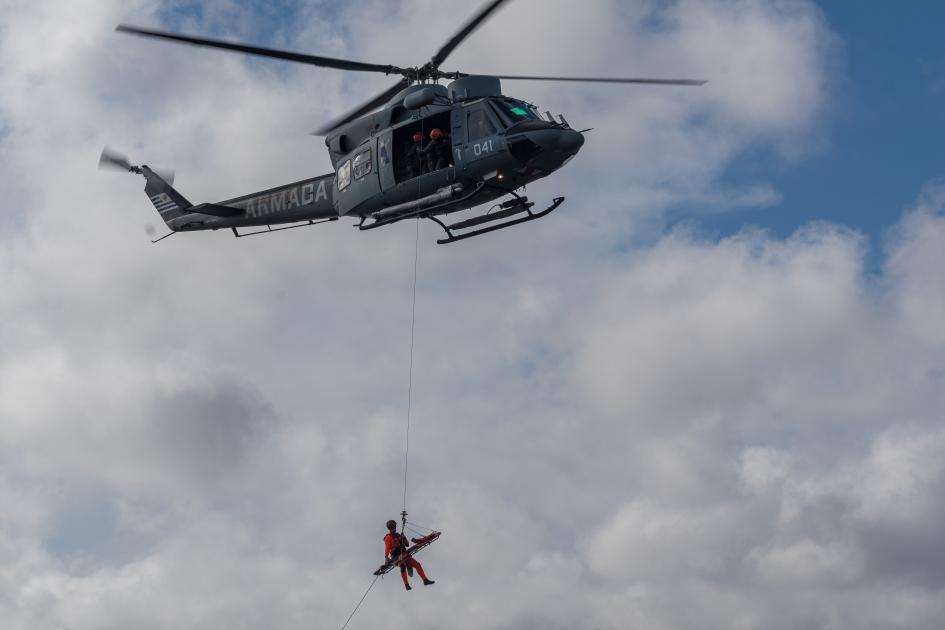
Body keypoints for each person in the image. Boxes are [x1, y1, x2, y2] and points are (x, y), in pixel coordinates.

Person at [384, 519, 434, 591]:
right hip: (396, 557)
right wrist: (386, 557)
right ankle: (406, 584)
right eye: (392, 528)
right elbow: (387, 548)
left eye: (394, 527)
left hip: (405, 555)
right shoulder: (388, 538)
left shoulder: (398, 535)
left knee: (417, 564)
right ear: (389, 528)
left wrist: (403, 538)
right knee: (402, 566)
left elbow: (407, 544)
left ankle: (425, 580)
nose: (393, 529)